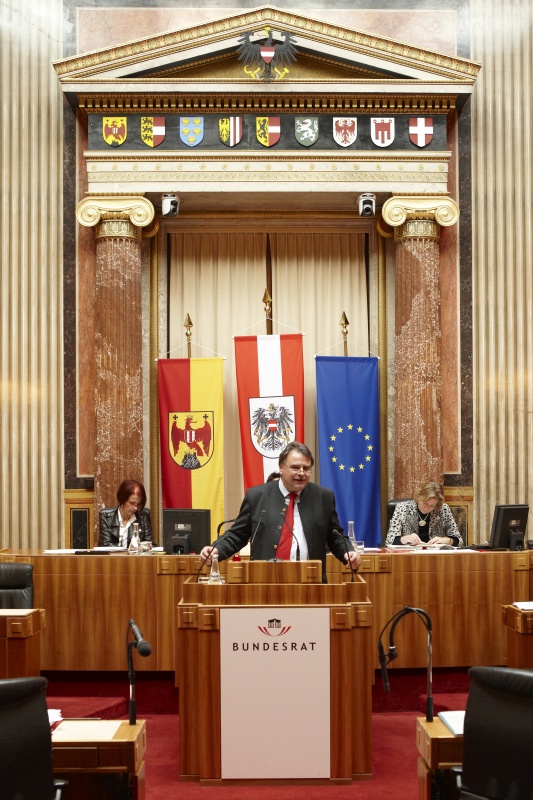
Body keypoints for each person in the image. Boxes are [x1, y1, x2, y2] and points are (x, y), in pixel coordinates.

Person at [200, 441, 360, 582]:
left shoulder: (323, 497)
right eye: (295, 467)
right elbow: (237, 535)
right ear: (281, 468)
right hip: (266, 582)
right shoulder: (257, 496)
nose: (301, 473)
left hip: (311, 583)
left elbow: (335, 536)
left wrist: (348, 552)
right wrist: (216, 550)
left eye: (306, 468)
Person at [386, 481, 463, 548]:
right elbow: (389, 541)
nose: (427, 508)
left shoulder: (443, 509)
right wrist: (404, 539)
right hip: (409, 557)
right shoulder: (402, 508)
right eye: (425, 503)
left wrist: (448, 541)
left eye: (432, 505)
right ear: (418, 497)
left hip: (434, 557)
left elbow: (459, 541)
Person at [98, 479, 155, 547]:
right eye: (132, 503)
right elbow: (105, 545)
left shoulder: (142, 517)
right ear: (122, 500)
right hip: (113, 557)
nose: (135, 508)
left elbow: (151, 546)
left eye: (138, 504)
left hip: (135, 557)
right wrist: (127, 551)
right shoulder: (106, 517)